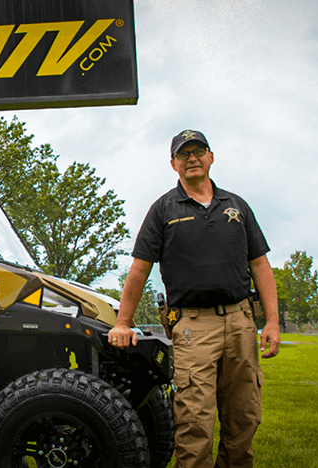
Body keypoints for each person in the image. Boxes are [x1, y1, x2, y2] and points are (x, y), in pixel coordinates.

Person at [108, 130, 281, 468]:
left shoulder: (237, 207)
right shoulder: (163, 210)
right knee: (195, 422)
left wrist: (272, 322)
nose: (192, 159)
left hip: (241, 322)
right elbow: (140, 270)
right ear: (173, 164)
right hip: (192, 327)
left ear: (211, 157)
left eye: (198, 151)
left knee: (244, 417)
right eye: (183, 154)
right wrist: (123, 322)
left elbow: (260, 266)